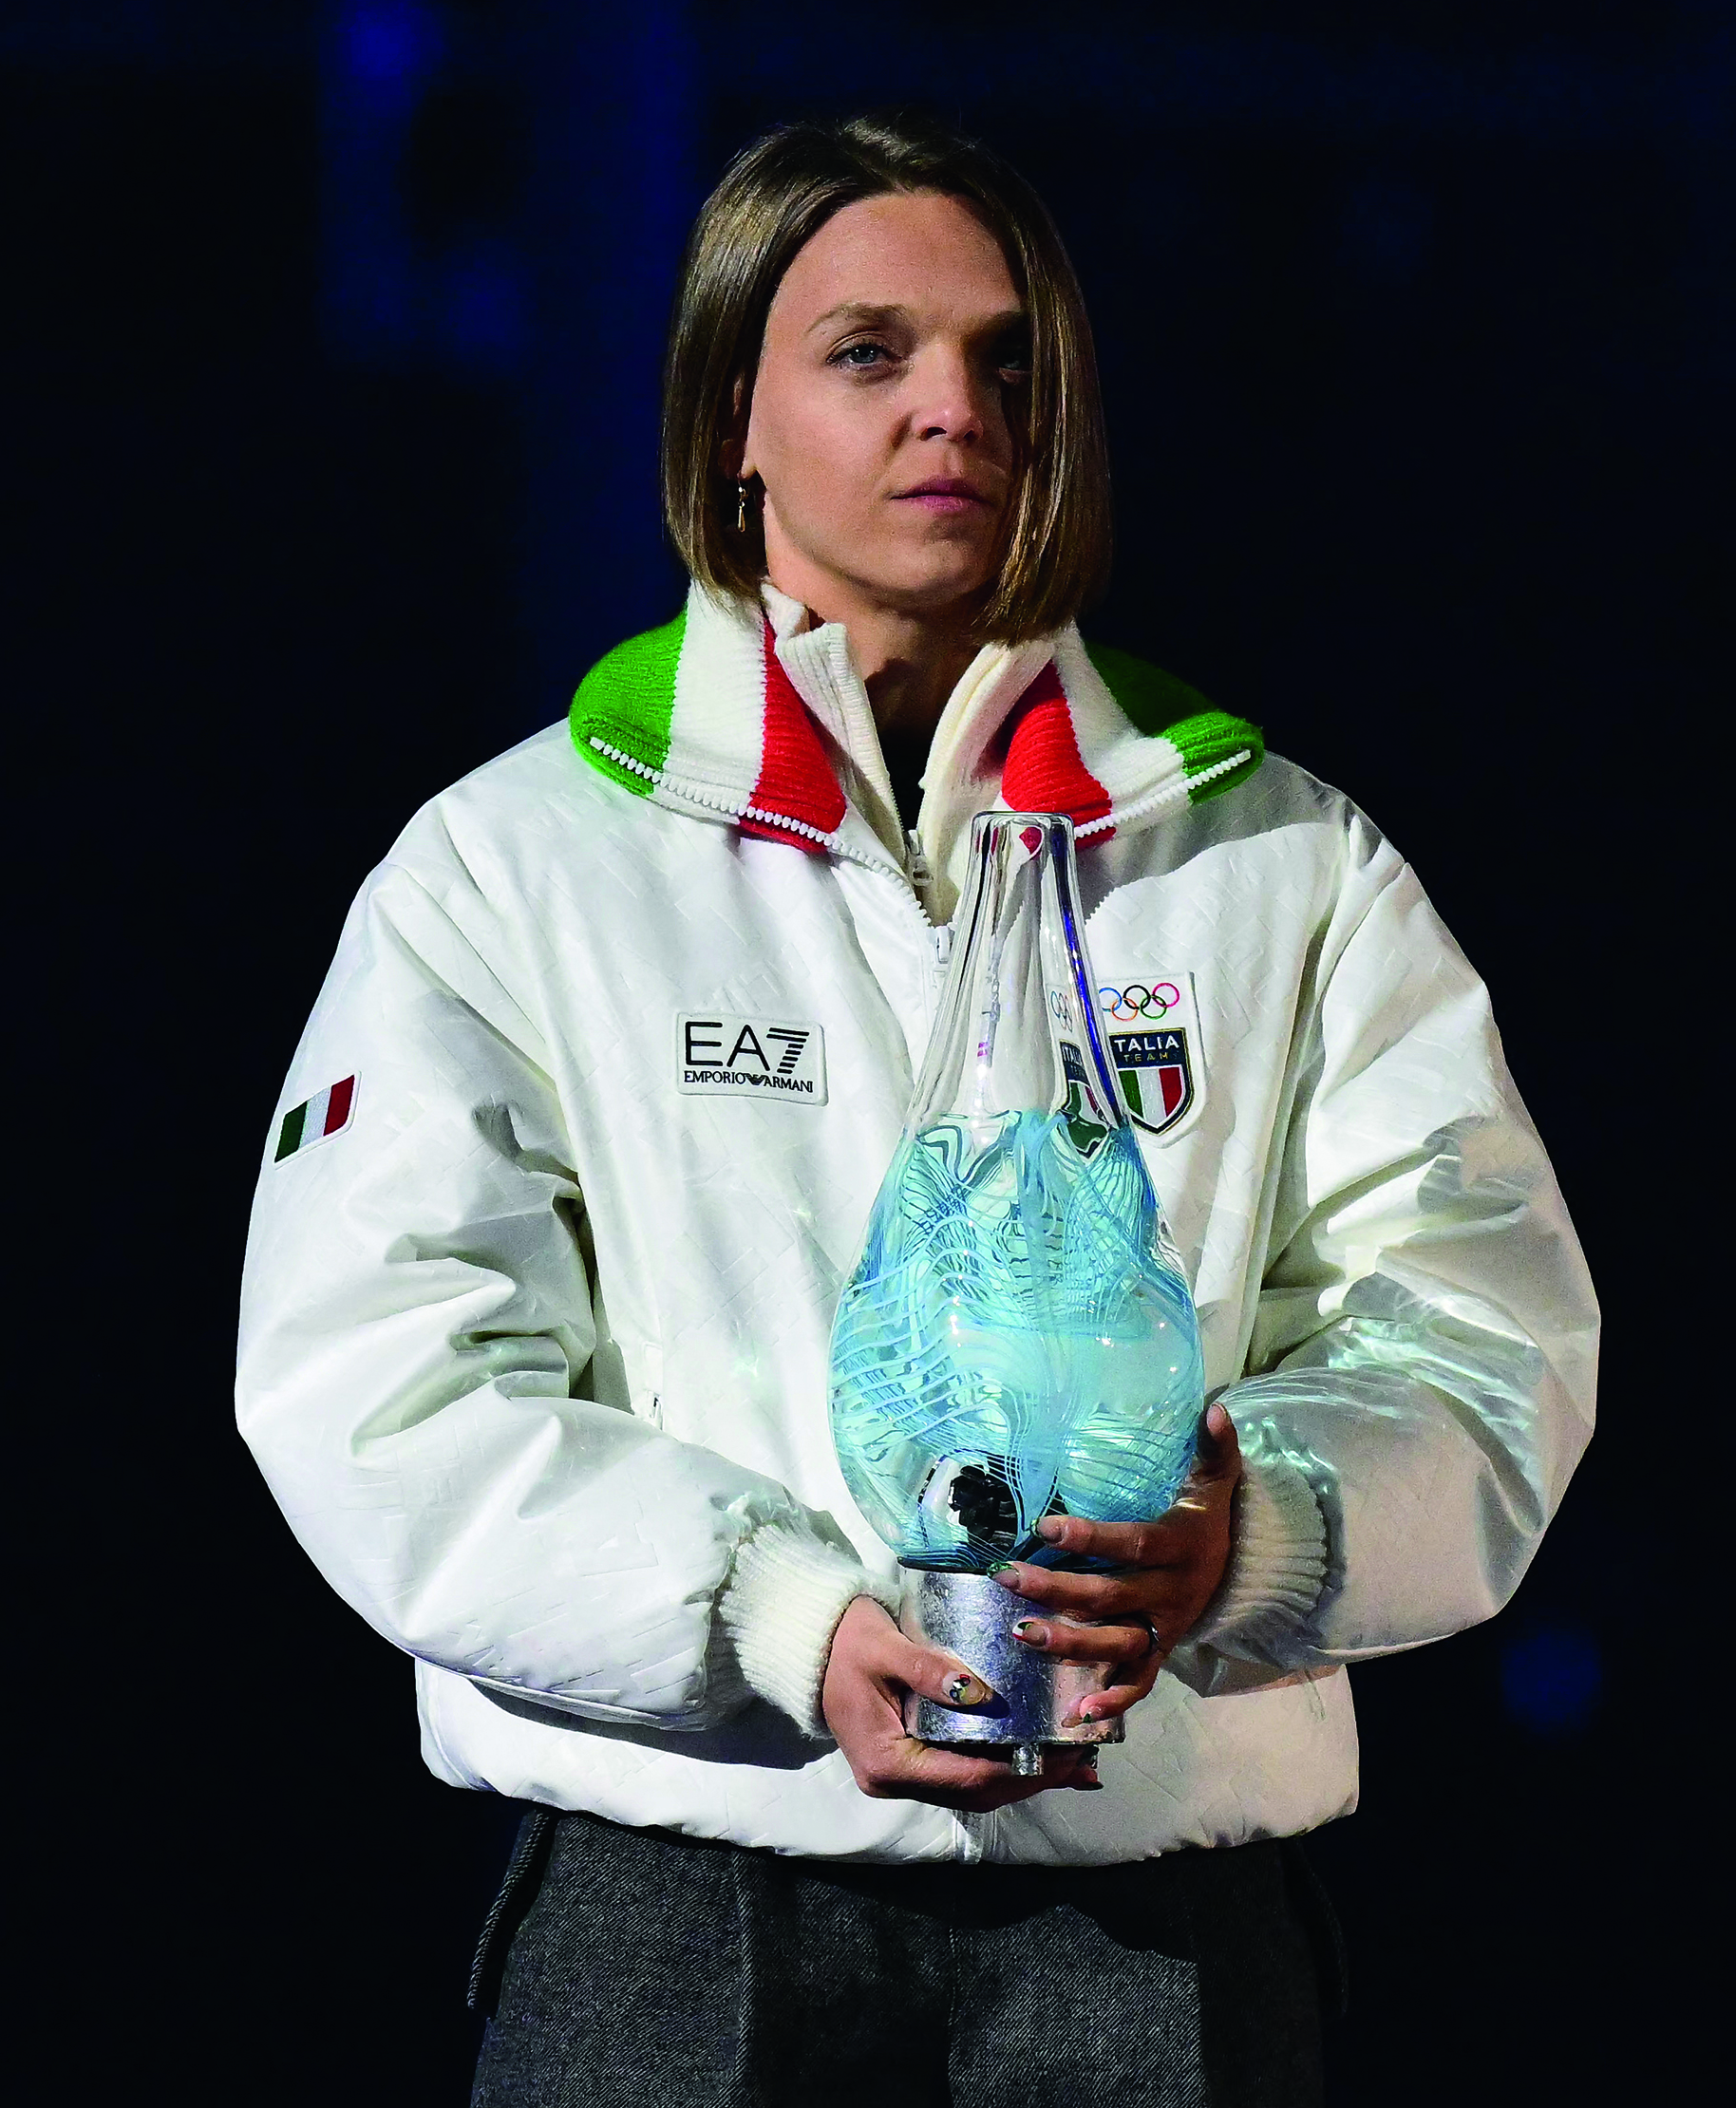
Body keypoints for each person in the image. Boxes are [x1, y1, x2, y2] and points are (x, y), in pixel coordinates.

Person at [234, 112, 1596, 2104]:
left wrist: (1256, 1530)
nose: (953, 408)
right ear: (732, 425)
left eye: (1009, 360)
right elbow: (380, 1379)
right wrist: (782, 1619)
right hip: (681, 1922)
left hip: (1159, 1939)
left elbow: (1485, 1337)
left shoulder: (1280, 863)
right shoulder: (515, 870)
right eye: (869, 352)